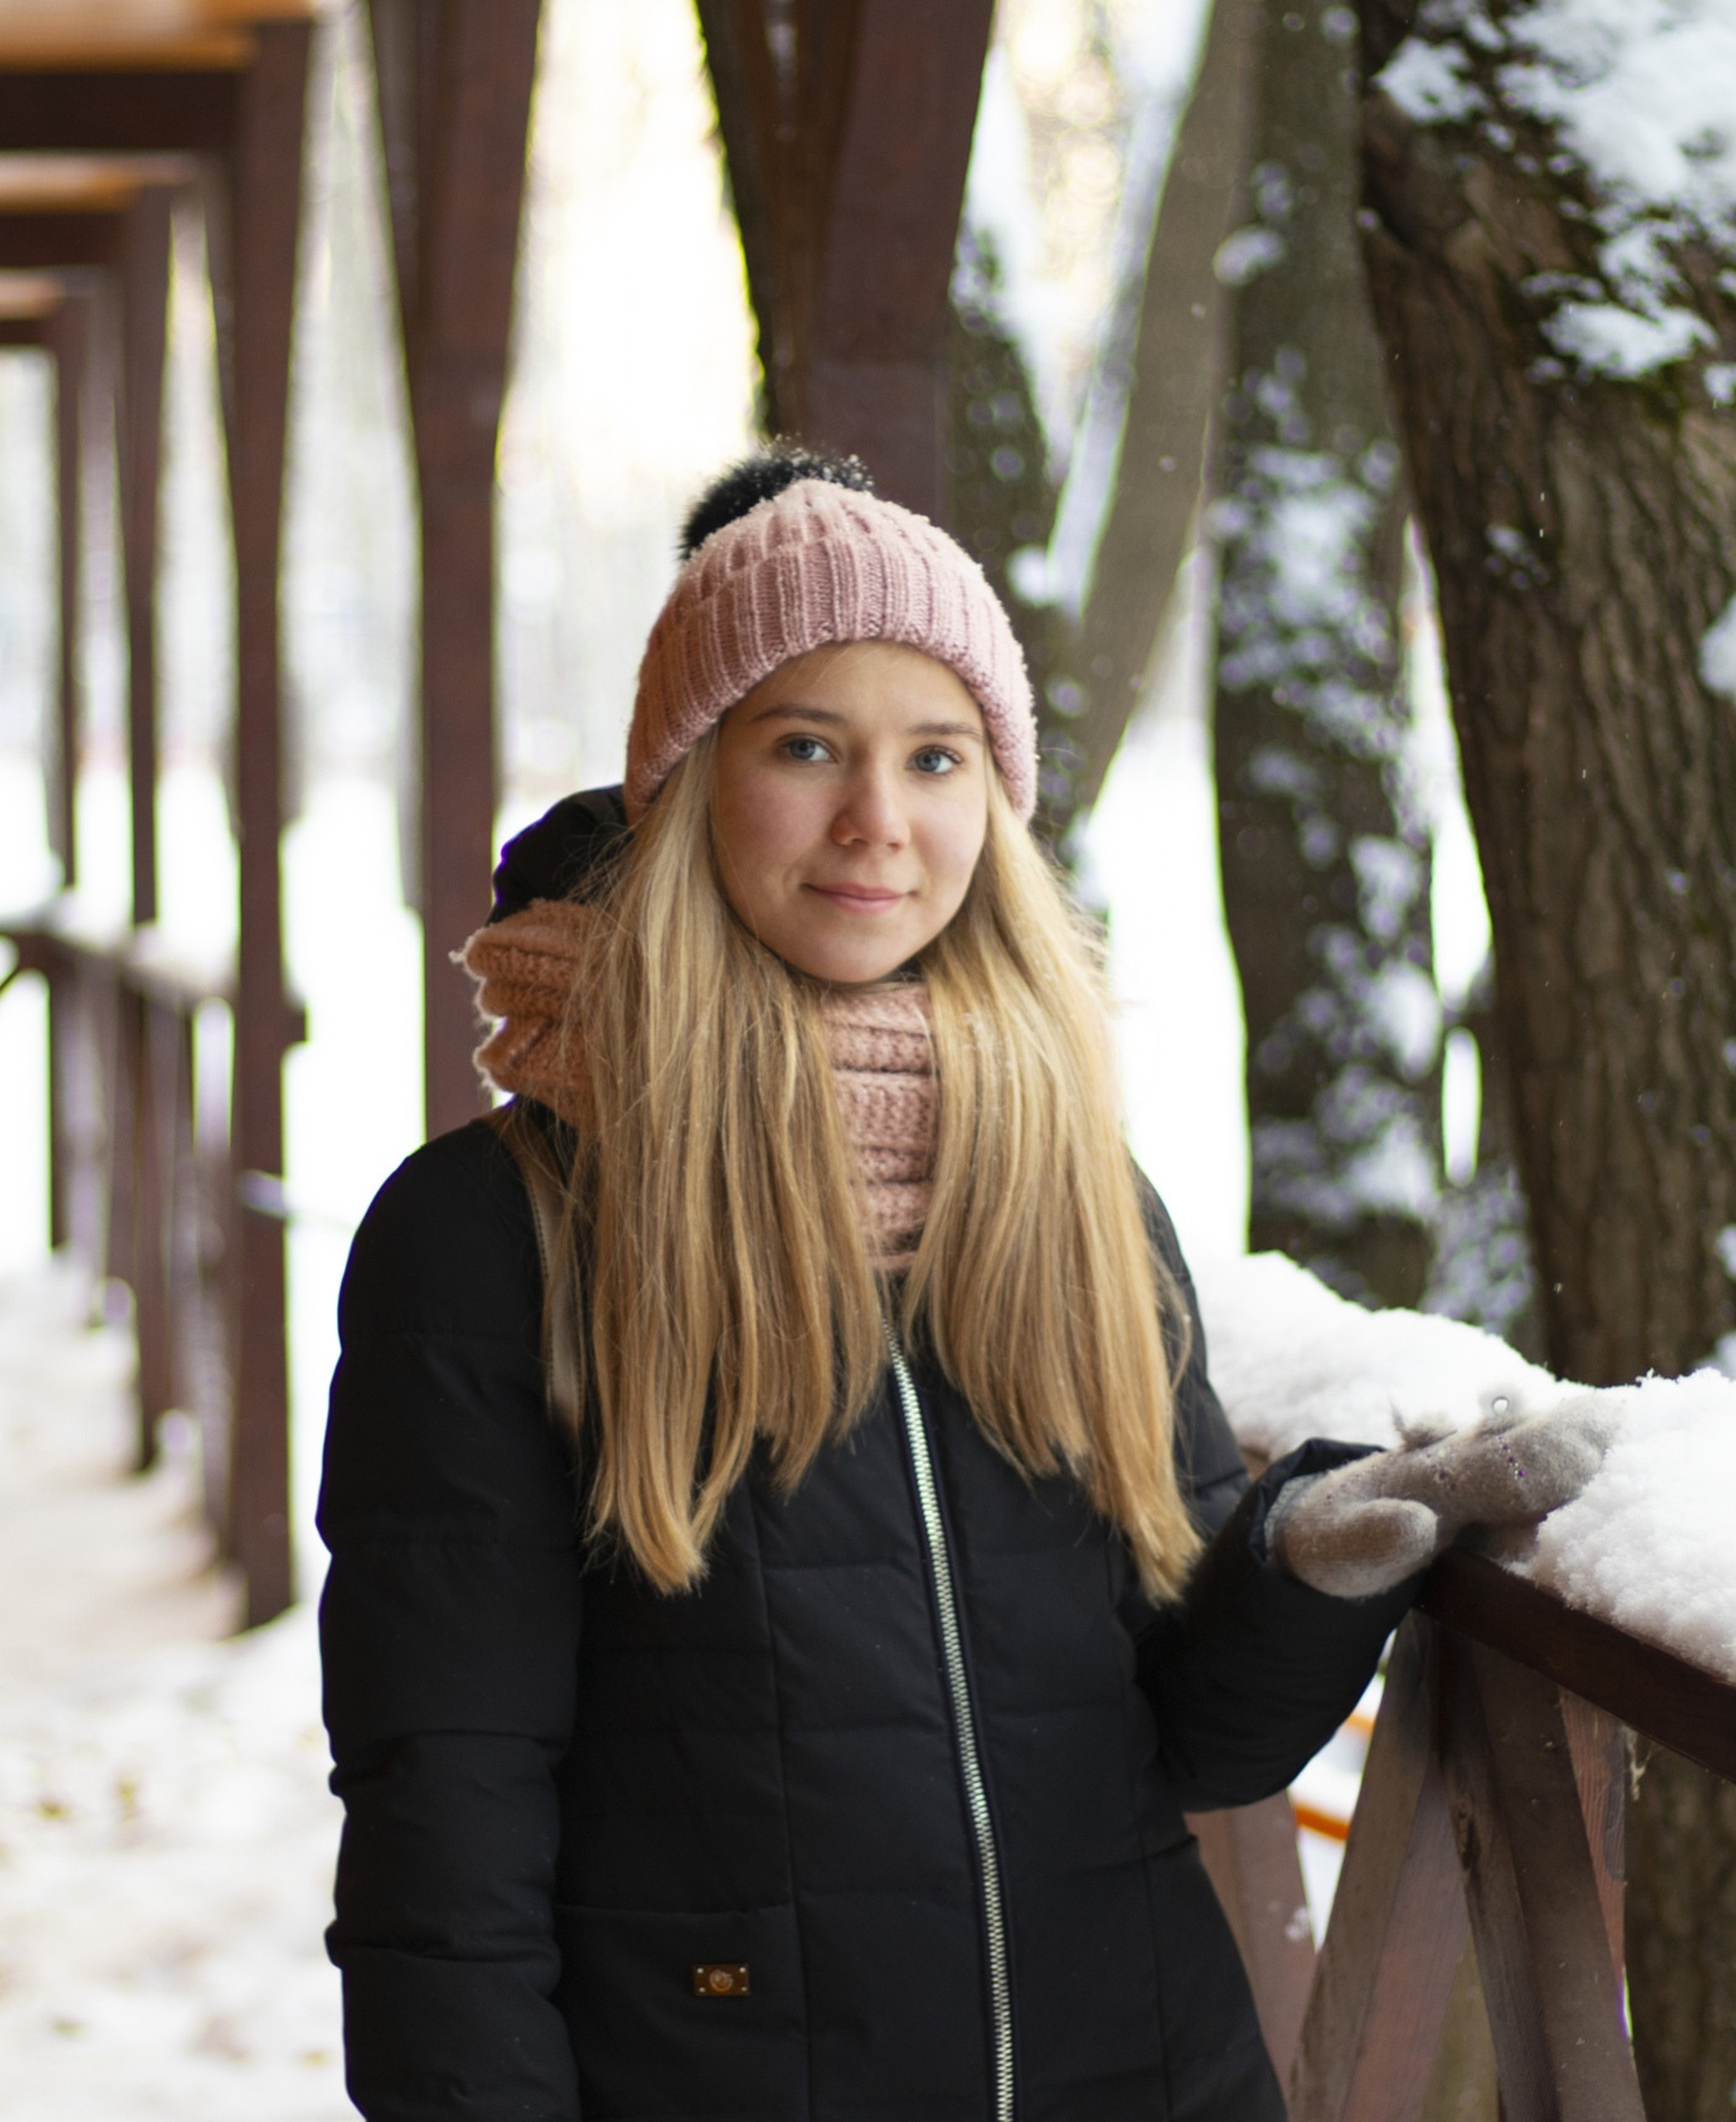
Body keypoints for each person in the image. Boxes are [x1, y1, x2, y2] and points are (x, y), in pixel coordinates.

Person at [319, 448, 1612, 2122]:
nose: (877, 819)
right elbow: (448, 1810)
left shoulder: (1064, 1185)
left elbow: (1185, 1735)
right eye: (805, 746)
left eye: (934, 756)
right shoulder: (494, 1231)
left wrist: (1308, 1557)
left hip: (1141, 2066)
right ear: (687, 781)